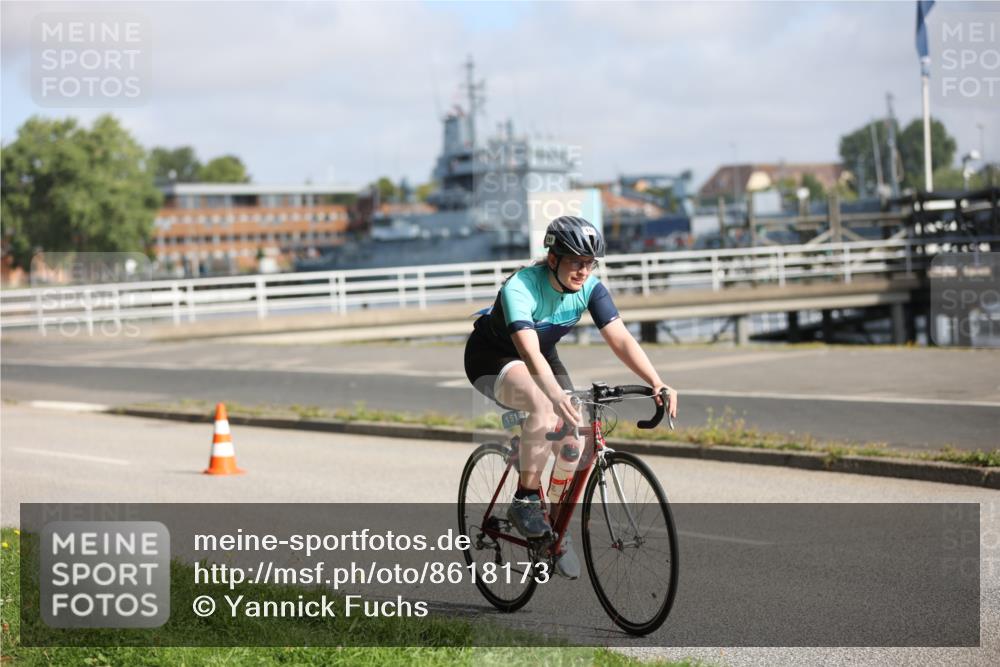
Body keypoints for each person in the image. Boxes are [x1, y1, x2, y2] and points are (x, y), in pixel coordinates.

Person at [464, 216, 678, 579]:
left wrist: (657, 382)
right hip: (494, 356)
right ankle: (526, 500)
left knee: (574, 439)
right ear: (553, 259)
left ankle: (553, 530)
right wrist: (550, 395)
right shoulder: (520, 287)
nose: (583, 270)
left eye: (589, 263)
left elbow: (621, 338)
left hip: (542, 354)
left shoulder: (591, 289)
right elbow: (528, 354)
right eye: (575, 261)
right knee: (544, 406)